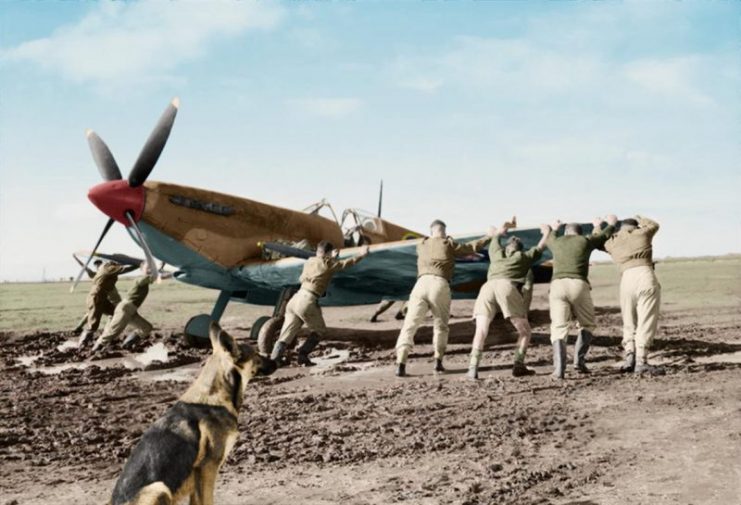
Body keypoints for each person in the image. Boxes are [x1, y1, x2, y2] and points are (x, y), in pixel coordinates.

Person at [394, 220, 492, 377]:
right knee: (440, 325)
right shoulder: (449, 243)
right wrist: (489, 236)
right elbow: (471, 248)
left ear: (431, 231)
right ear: (444, 231)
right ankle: (438, 362)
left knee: (410, 325)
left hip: (420, 284)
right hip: (439, 284)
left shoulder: (422, 245)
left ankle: (400, 364)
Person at [468, 221, 551, 379]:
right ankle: (518, 366)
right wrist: (547, 232)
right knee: (525, 332)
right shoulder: (523, 257)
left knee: (481, 330)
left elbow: (495, 237)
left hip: (487, 288)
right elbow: (541, 247)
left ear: (506, 248)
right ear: (520, 249)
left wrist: (499, 231)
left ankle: (473, 368)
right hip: (507, 287)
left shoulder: (496, 253)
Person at [271, 242, 370, 367]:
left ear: (317, 251)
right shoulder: (327, 263)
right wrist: (362, 254)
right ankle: (303, 355)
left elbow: (316, 270)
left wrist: (331, 257)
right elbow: (345, 264)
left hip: (295, 299)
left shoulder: (309, 262)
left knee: (286, 334)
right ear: (328, 253)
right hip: (307, 300)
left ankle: (274, 360)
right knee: (319, 330)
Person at [545, 217, 615, 379]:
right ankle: (579, 362)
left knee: (558, 327)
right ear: (580, 232)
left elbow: (549, 237)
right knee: (587, 324)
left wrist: (554, 228)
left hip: (556, 285)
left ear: (566, 232)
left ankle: (559, 370)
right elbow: (603, 236)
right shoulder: (585, 240)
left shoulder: (556, 242)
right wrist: (607, 224)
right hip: (578, 284)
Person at [604, 215, 664, 375]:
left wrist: (605, 226)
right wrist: (640, 217)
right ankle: (641, 361)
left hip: (626, 279)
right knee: (646, 320)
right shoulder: (642, 233)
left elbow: (600, 238)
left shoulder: (612, 241)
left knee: (628, 320)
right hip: (644, 274)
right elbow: (654, 224)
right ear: (636, 227)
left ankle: (629, 354)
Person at [92, 263, 155, 352]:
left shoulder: (144, 279)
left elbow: (154, 276)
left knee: (146, 327)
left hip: (131, 310)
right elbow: (154, 277)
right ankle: (94, 350)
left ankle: (127, 345)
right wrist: (170, 272)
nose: (149, 269)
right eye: (147, 268)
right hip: (125, 308)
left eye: (151, 268)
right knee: (113, 332)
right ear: (141, 270)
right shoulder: (141, 279)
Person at [78, 260, 138, 347]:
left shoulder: (104, 268)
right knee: (93, 323)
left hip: (102, 297)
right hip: (96, 297)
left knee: (116, 313)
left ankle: (106, 336)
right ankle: (82, 344)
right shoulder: (108, 268)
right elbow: (126, 269)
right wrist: (138, 264)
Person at [72, 256, 122, 334]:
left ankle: (107, 332)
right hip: (100, 297)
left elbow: (120, 270)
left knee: (112, 314)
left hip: (112, 298)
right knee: (91, 314)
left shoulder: (109, 271)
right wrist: (77, 259)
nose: (97, 266)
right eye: (96, 265)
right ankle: (79, 328)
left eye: (99, 264)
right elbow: (85, 267)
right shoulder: (94, 274)